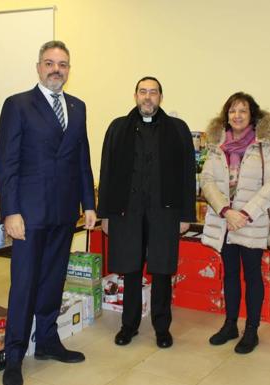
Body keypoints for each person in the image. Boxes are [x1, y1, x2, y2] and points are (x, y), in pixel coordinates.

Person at [0, 40, 96, 385]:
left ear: (69, 69)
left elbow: (82, 159)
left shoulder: (78, 107)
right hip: (29, 213)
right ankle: (14, 356)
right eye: (50, 63)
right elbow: (6, 163)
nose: (57, 69)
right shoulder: (18, 105)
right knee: (24, 284)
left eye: (63, 64)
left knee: (54, 279)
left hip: (64, 212)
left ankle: (48, 341)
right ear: (38, 66)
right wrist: (10, 211)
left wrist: (89, 204)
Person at [97, 76, 196, 349]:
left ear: (160, 97)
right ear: (135, 96)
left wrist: (186, 215)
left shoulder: (177, 129)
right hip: (127, 212)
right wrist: (106, 213)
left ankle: (162, 328)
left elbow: (189, 176)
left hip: (165, 211)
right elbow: (106, 172)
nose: (148, 97)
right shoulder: (118, 128)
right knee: (130, 269)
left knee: (162, 270)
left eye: (153, 92)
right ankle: (128, 326)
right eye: (143, 92)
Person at [200, 92, 270, 354]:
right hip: (225, 220)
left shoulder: (264, 145)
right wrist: (225, 210)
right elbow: (207, 180)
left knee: (253, 276)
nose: (237, 115)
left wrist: (244, 214)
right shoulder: (216, 144)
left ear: (252, 115)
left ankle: (251, 330)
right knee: (230, 274)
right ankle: (230, 324)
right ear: (226, 115)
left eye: (242, 111)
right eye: (232, 111)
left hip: (251, 221)